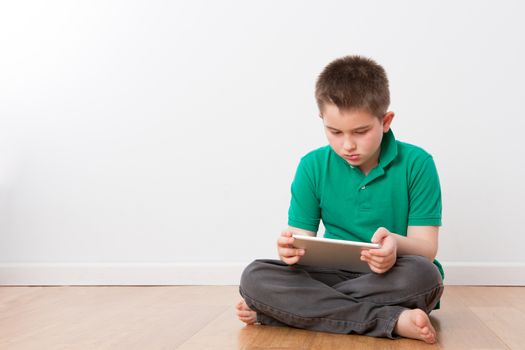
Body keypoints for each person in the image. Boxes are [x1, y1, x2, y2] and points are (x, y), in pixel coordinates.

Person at [236, 55, 444, 344]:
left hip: (389, 277)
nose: (347, 145)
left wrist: (395, 245)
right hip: (327, 274)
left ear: (385, 121)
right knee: (255, 276)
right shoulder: (312, 165)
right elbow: (302, 241)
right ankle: (389, 319)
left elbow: (426, 249)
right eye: (334, 132)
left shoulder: (417, 163)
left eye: (360, 132)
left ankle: (280, 312)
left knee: (425, 275)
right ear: (323, 121)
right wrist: (290, 248)